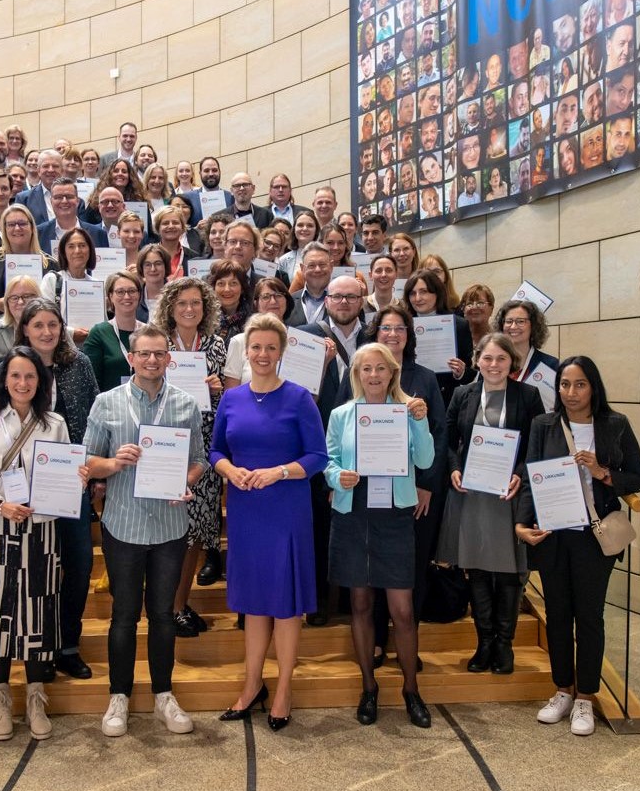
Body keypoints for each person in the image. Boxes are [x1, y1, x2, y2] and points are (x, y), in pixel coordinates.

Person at [0, 346, 87, 741]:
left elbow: (63, 473)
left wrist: (73, 479)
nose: (22, 383)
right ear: (3, 380)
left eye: (30, 376)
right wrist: (0, 505)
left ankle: (35, 696)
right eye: (15, 375)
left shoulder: (55, 424)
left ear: (40, 381)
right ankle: (1, 699)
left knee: (37, 610)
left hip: (40, 530)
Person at [84, 325, 207, 737]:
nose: (152, 360)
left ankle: (163, 696)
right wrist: (114, 463)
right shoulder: (107, 403)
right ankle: (118, 696)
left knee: (163, 616)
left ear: (168, 359)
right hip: (124, 523)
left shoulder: (186, 405)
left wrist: (185, 483)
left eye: (159, 354)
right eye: (144, 354)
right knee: (122, 617)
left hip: (170, 526)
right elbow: (86, 463)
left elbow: (198, 461)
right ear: (132, 358)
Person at [518, 356, 640, 736]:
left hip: (594, 536)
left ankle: (586, 697)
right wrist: (522, 524)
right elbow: (529, 476)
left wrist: (602, 471)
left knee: (588, 616)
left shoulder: (614, 425)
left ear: (593, 387)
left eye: (579, 385)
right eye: (564, 385)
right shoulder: (543, 424)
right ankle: (562, 690)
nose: (571, 393)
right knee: (557, 614)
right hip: (554, 534)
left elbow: (639, 475)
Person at [212, 314, 328, 729]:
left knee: (285, 604)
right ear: (247, 351)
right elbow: (216, 451)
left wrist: (279, 471)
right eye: (255, 347)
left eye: (270, 347)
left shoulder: (299, 398)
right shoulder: (232, 399)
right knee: (254, 603)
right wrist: (229, 470)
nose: (262, 354)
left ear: (282, 352)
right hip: (246, 509)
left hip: (286, 509)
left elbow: (318, 457)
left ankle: (283, 690)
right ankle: (251, 684)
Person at [325, 343, 435, 727]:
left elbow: (425, 461)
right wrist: (339, 477)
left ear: (392, 373)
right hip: (353, 514)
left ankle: (411, 689)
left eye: (380, 369)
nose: (373, 375)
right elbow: (330, 461)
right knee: (359, 604)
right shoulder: (341, 414)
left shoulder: (409, 411)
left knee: (402, 611)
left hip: (394, 516)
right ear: (357, 374)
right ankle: (368, 687)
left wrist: (420, 422)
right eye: (366, 369)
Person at [438, 333, 545, 676]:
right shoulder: (462, 393)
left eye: (501, 359)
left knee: (510, 571)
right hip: (472, 493)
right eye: (487, 358)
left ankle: (504, 644)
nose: (494, 365)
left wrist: (518, 473)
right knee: (478, 568)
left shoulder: (528, 396)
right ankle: (483, 642)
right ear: (477, 360)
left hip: (509, 494)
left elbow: (537, 444)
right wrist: (454, 468)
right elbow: (449, 437)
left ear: (511, 362)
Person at [13, 299, 100, 681]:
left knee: (79, 564)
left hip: (72, 481)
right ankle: (39, 646)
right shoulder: (14, 366)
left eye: (53, 324)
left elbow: (96, 418)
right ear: (25, 330)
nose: (47, 332)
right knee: (37, 567)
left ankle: (67, 645)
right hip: (25, 488)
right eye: (38, 326)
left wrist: (95, 471)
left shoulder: (78, 364)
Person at [151, 278, 226, 635]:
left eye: (196, 302)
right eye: (182, 302)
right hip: (166, 446)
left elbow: (228, 396)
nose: (189, 309)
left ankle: (180, 604)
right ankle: (167, 607)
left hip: (204, 445)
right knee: (171, 534)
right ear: (170, 306)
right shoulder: (157, 343)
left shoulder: (215, 344)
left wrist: (217, 389)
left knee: (196, 533)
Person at [403, 269, 472, 406]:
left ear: (437, 293)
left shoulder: (459, 325)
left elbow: (469, 373)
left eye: (424, 292)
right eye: (412, 293)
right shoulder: (402, 326)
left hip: (447, 400)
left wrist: (461, 372)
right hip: (410, 398)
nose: (418, 298)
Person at [0, 203, 53, 313]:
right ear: (4, 229)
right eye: (11, 224)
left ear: (32, 227)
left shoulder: (50, 263)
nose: (17, 228)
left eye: (22, 223)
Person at [222, 278, 294, 387]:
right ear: (256, 303)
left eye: (279, 295)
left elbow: (309, 394)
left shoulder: (298, 342)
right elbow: (231, 396)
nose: (273, 301)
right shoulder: (239, 342)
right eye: (266, 297)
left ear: (287, 300)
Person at [82, 270, 144, 391]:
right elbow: (91, 381)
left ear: (139, 295)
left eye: (132, 291)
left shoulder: (149, 332)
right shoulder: (99, 333)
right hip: (110, 406)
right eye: (120, 292)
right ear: (110, 296)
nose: (127, 296)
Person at [496, 299, 560, 410]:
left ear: (533, 326)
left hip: (537, 425)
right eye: (508, 321)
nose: (513, 326)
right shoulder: (492, 364)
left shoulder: (550, 365)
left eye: (520, 321)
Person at [0, 276, 42, 363]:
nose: (20, 302)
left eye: (27, 296)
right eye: (14, 298)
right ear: (7, 303)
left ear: (39, 299)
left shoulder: (49, 330)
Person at [210, 259, 253, 344]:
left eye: (233, 283)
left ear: (242, 288)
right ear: (214, 288)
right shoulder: (204, 319)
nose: (227, 289)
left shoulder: (253, 321)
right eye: (221, 284)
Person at [460, 284, 495, 349]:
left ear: (491, 309)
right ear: (463, 310)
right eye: (469, 304)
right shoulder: (457, 339)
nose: (474, 307)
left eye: (480, 303)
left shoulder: (499, 339)